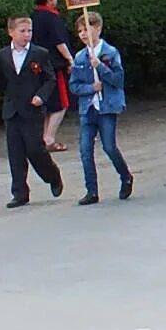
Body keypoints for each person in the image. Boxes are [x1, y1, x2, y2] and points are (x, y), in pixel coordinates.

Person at [0, 13, 64, 207]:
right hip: (12, 110)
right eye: (22, 31)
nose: (26, 35)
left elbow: (50, 79)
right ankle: (20, 192)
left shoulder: (40, 53)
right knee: (16, 153)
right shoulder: (3, 56)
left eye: (29, 31)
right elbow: (0, 83)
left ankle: (52, 175)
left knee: (35, 149)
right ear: (11, 32)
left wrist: (41, 96)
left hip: (32, 109)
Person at [67, 12, 133, 205]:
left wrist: (101, 68)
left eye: (86, 30)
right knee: (85, 149)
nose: (83, 34)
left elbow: (118, 80)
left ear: (98, 29)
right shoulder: (80, 57)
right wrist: (90, 88)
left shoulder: (110, 53)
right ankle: (92, 190)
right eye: (79, 31)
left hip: (106, 107)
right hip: (88, 108)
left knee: (109, 146)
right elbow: (74, 85)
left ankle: (125, 176)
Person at [29, 0, 73, 153]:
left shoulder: (33, 17)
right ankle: (49, 138)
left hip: (37, 65)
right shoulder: (52, 17)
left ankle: (44, 137)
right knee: (62, 103)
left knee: (49, 103)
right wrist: (70, 59)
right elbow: (59, 41)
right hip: (55, 65)